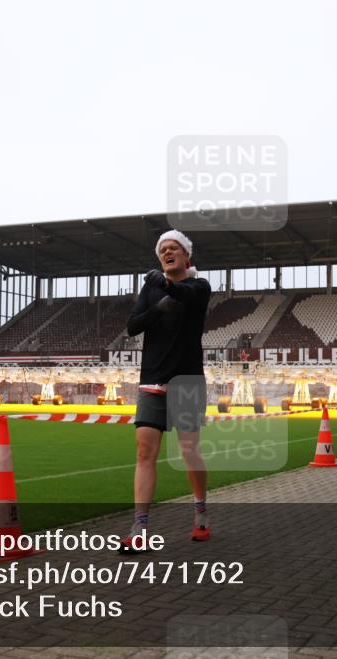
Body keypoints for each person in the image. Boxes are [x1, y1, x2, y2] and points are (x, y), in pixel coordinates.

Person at [120, 230, 211, 553]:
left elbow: (184, 294)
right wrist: (157, 306)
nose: (167, 252)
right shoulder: (151, 288)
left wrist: (164, 285)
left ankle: (200, 512)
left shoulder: (200, 286)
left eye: (173, 248)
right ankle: (140, 526)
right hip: (151, 378)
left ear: (187, 257)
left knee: (189, 451)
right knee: (144, 451)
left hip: (187, 380)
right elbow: (133, 326)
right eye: (162, 249)